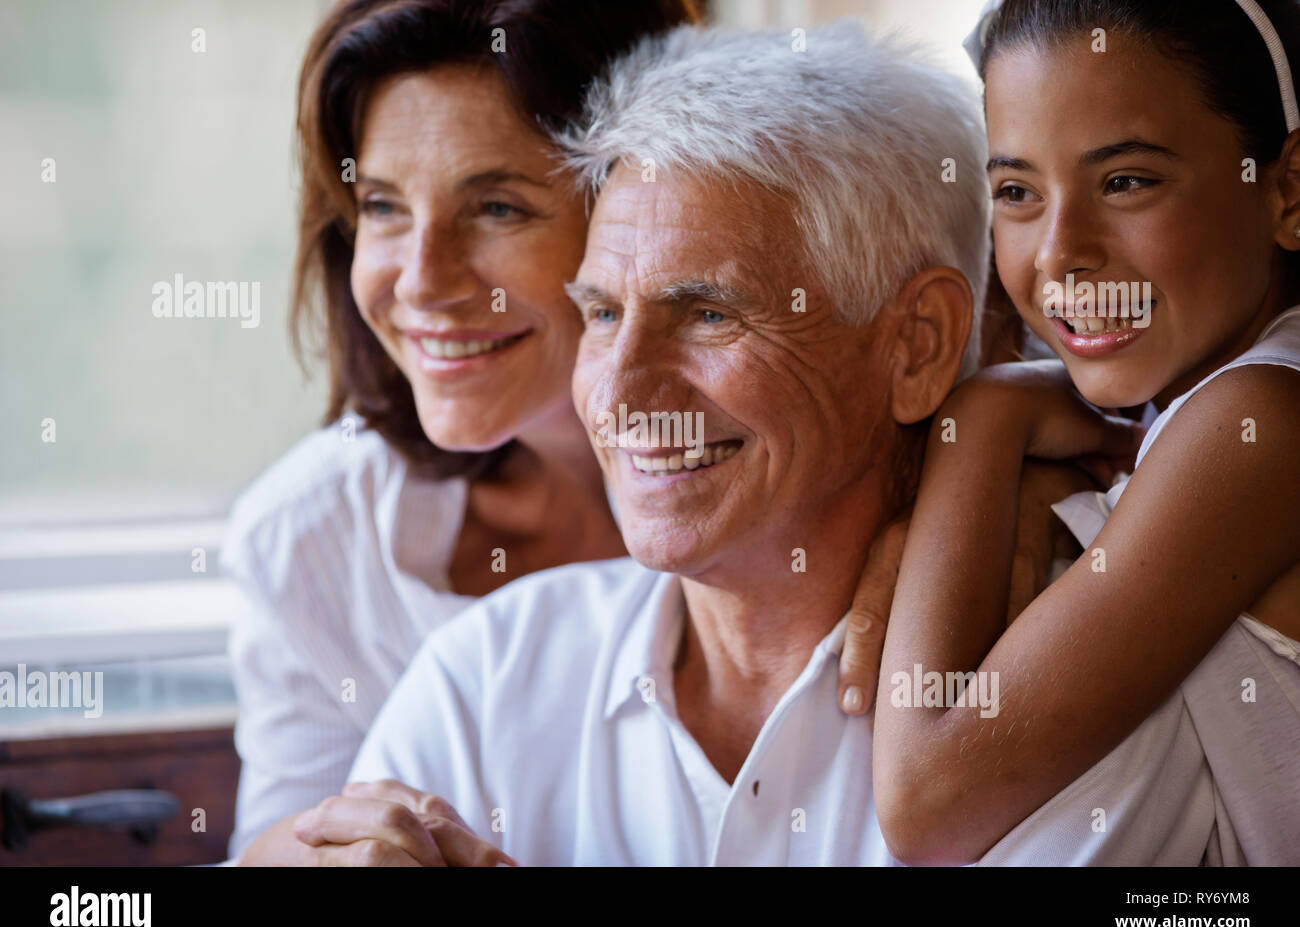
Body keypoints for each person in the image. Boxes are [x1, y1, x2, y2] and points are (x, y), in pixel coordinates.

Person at [281, 21, 1116, 867]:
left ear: (919, 344)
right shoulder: (485, 675)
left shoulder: (1068, 681)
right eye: (603, 313)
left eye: (710, 313)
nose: (616, 391)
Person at [224, 0, 698, 863]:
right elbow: (282, 829)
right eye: (383, 206)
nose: (424, 282)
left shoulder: (792, 481)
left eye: (497, 209)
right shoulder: (314, 536)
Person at [873, 0, 1300, 865]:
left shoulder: (1261, 419)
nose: (1061, 251)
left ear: (1287, 191)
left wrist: (985, 415)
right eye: (1018, 193)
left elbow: (927, 798)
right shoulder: (1189, 411)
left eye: (1126, 181)